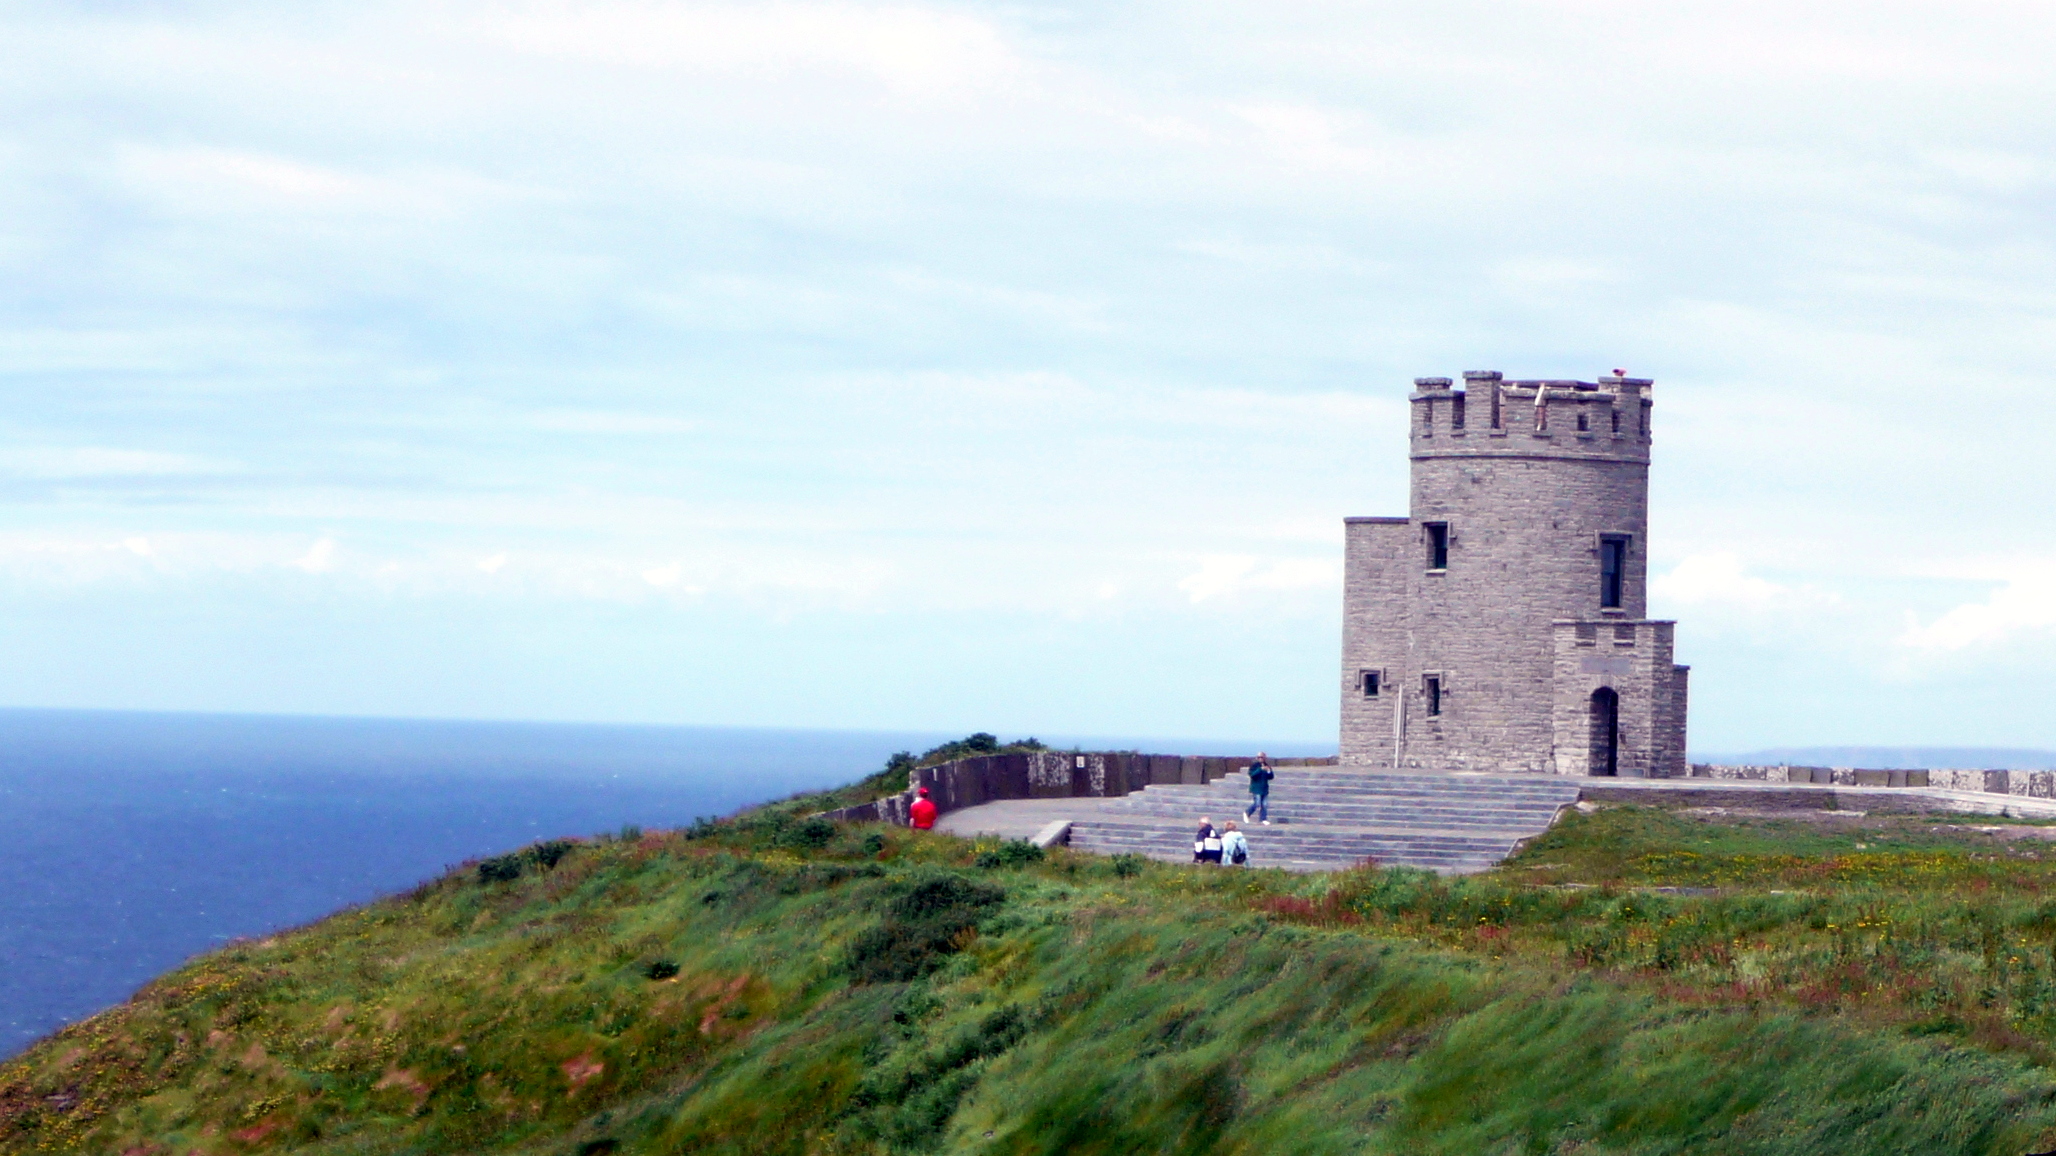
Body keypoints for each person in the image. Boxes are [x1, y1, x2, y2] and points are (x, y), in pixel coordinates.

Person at [1244, 752, 1274, 825]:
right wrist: (1260, 769)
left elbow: (1271, 777)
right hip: (1256, 788)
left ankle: (1263, 818)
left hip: (1264, 789)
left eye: (1262, 757)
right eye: (1259, 757)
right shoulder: (1254, 766)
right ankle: (1247, 813)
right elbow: (1252, 775)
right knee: (1257, 803)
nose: (1260, 759)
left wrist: (1269, 771)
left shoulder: (1267, 766)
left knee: (1264, 804)